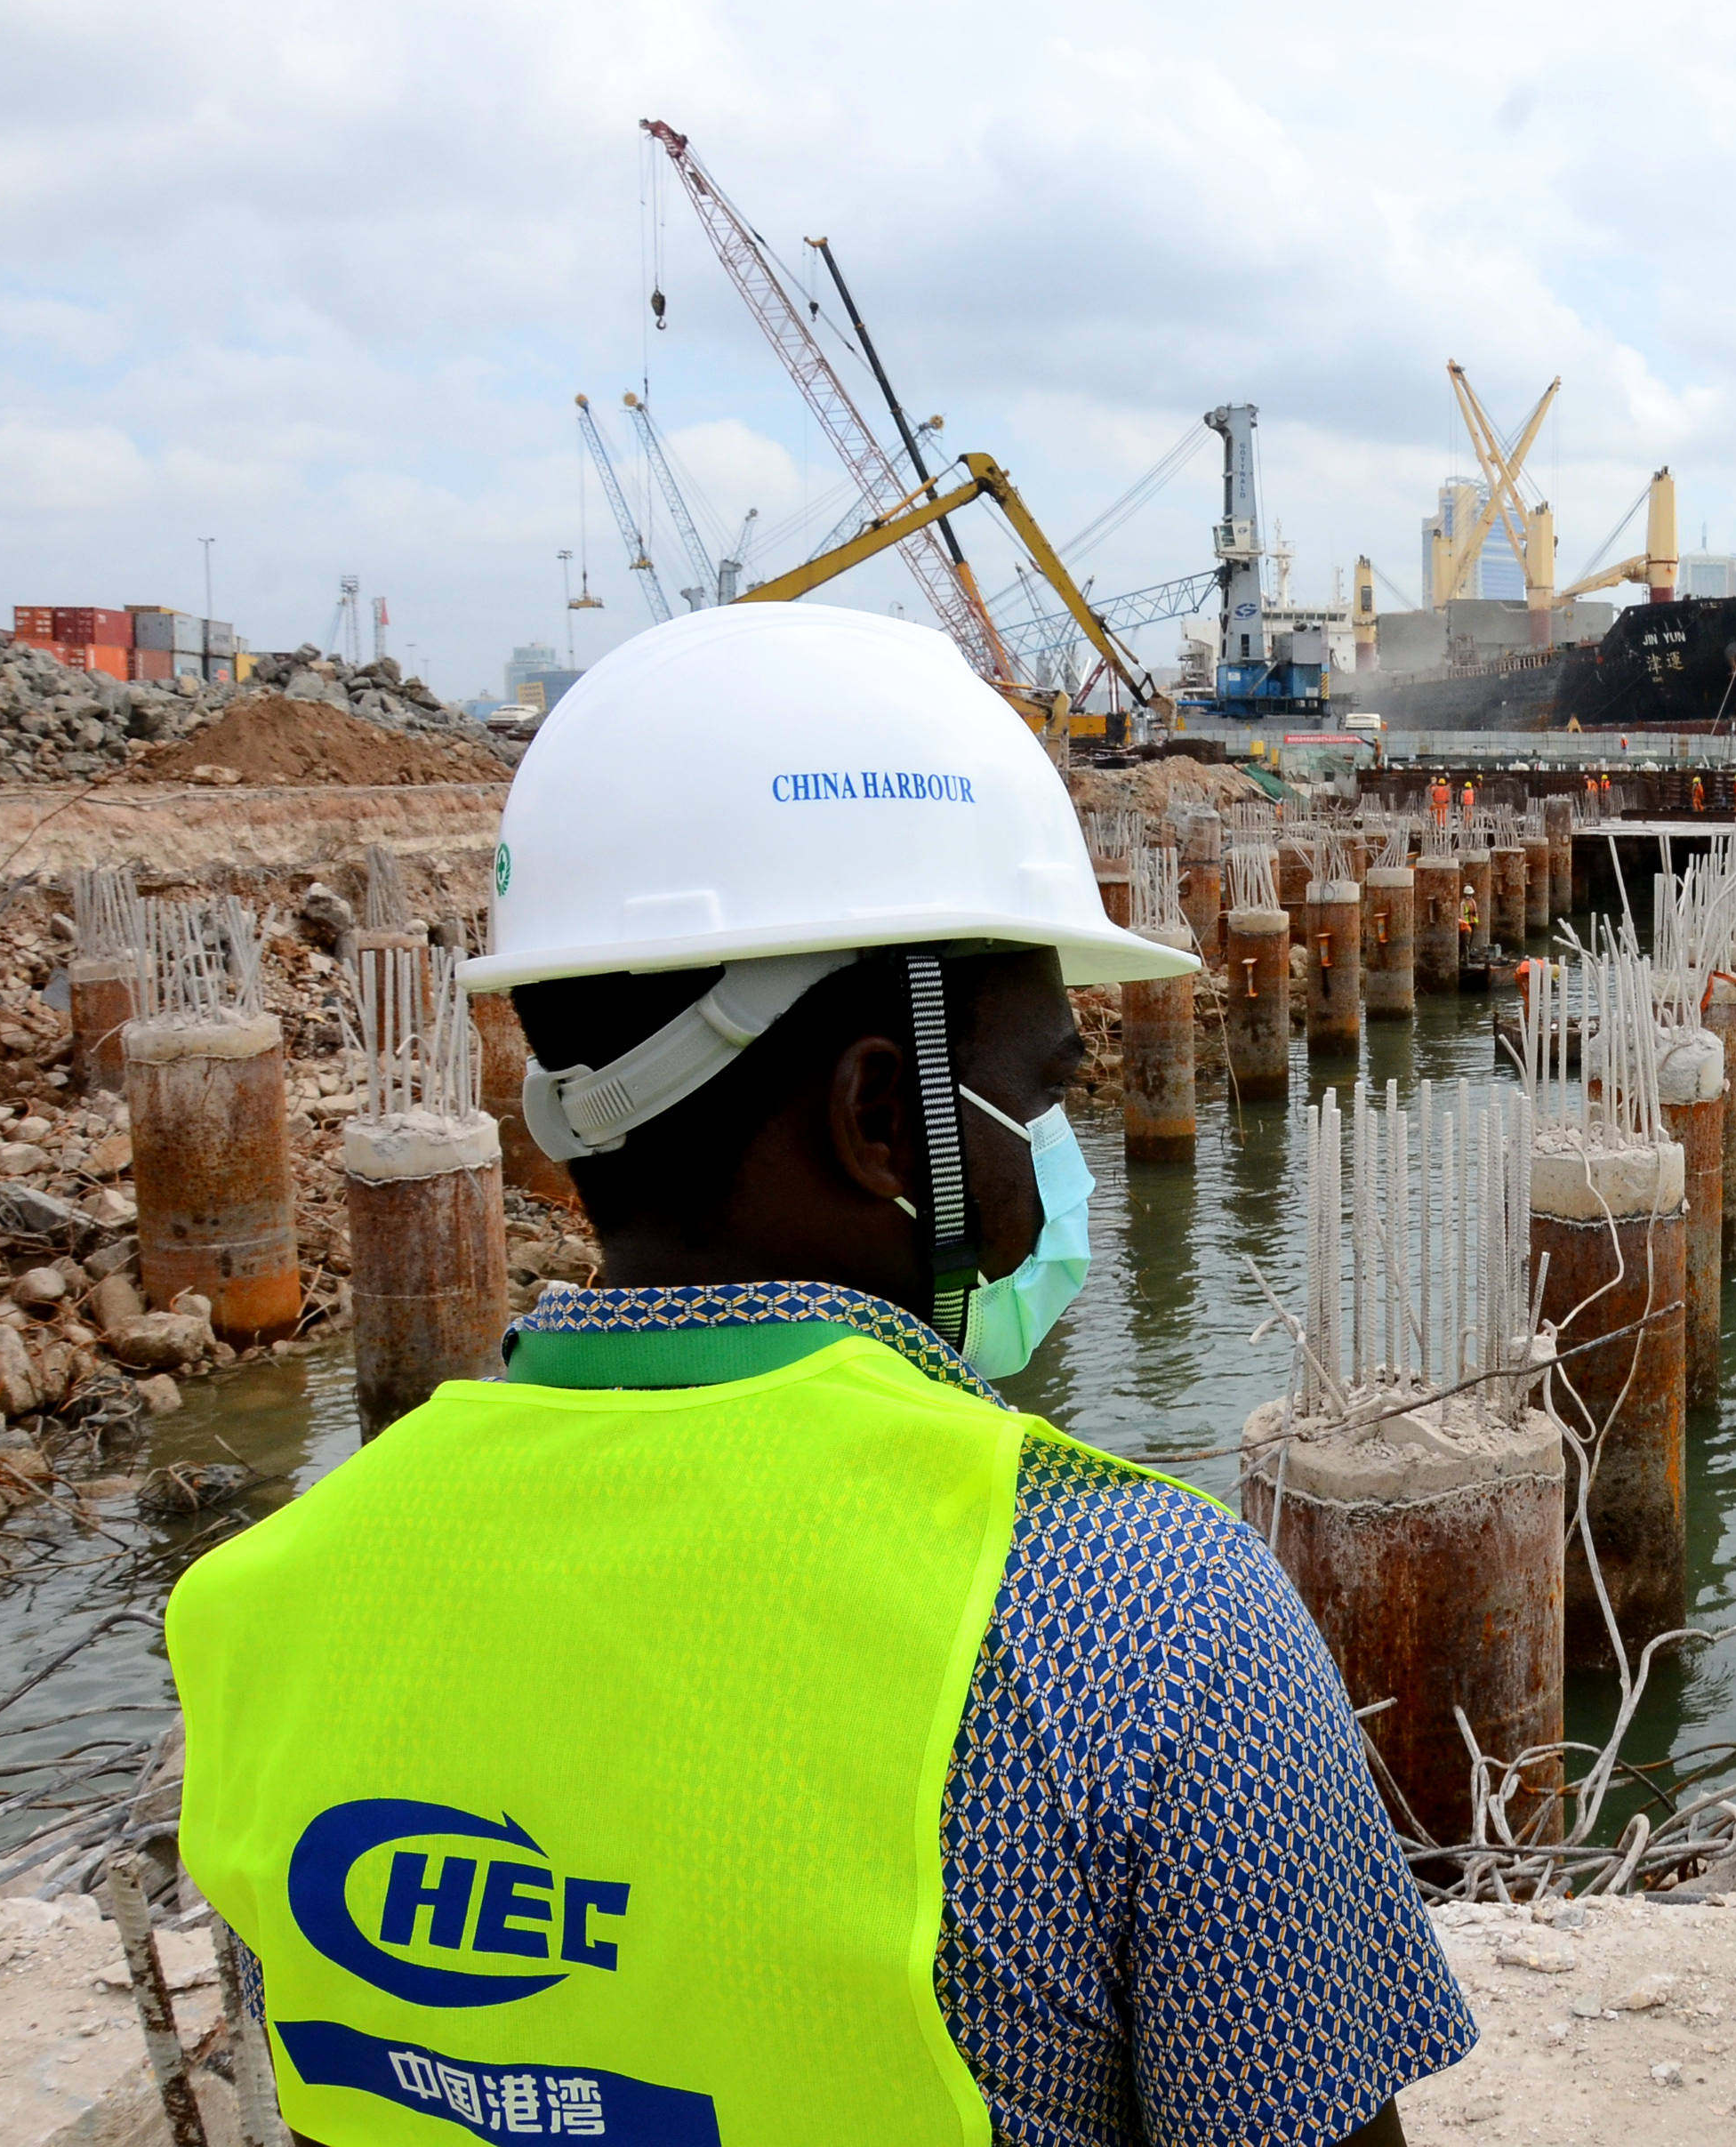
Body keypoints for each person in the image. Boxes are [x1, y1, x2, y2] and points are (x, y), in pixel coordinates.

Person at [170, 606, 1470, 2147]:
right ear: (876, 1114)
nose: (1056, 1154)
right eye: (1042, 1087)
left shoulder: (272, 1602)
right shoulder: (1141, 1617)